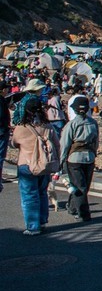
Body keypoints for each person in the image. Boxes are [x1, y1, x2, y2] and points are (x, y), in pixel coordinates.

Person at [11, 96, 58, 235]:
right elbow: (57, 144)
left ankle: (33, 226)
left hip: (26, 164)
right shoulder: (48, 126)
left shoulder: (21, 127)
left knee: (29, 196)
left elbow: (14, 143)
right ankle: (42, 221)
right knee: (42, 193)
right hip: (44, 165)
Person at [59, 95, 99, 221]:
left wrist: (61, 161)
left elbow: (64, 144)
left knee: (79, 186)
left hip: (74, 158)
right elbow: (96, 142)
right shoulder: (93, 123)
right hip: (90, 157)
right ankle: (73, 207)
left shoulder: (71, 124)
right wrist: (94, 153)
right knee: (84, 185)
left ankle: (83, 213)